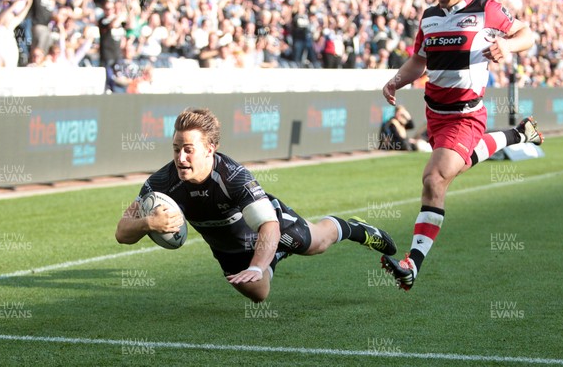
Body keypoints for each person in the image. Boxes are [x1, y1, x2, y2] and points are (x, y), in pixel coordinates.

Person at [379, 0, 544, 291]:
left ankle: (412, 265)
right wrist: (397, 80)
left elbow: (527, 34)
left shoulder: (486, 9)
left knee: (434, 178)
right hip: (435, 115)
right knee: (454, 167)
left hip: (466, 116)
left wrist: (508, 48)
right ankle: (518, 134)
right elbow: (418, 61)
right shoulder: (429, 18)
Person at [116, 108, 397, 302]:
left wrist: (259, 265)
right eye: (176, 149)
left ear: (209, 149)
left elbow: (268, 224)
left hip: (267, 227)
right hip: (227, 247)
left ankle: (355, 229)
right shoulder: (162, 182)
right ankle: (272, 257)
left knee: (316, 243)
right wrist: (148, 223)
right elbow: (122, 233)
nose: (181, 157)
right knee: (259, 295)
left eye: (189, 149)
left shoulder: (234, 177)